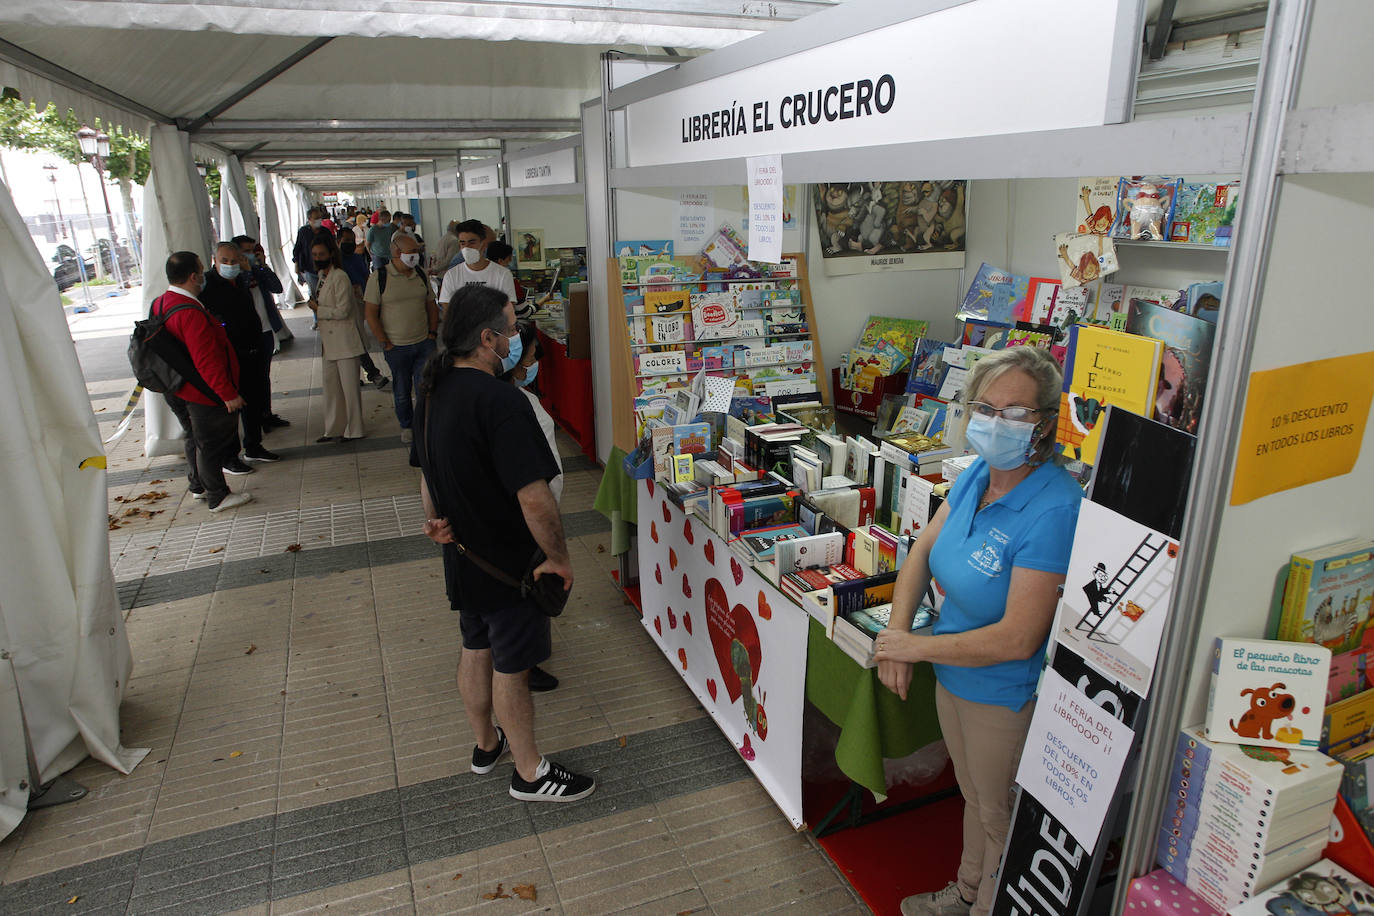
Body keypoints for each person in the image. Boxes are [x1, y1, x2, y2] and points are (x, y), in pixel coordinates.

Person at [873, 347, 1083, 916]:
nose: (996, 422)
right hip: (953, 675)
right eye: (986, 408)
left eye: (1016, 411)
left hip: (1003, 693)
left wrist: (915, 646)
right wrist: (898, 638)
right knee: (973, 797)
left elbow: (1018, 637)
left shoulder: (1054, 509)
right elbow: (922, 552)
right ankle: (965, 892)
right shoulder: (977, 478)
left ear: (1044, 422)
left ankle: (990, 904)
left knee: (998, 815)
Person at [414, 285, 592, 802]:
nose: (517, 338)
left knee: (475, 647)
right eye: (512, 329)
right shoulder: (502, 401)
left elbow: (426, 472)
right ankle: (530, 772)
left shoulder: (432, 388)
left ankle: (485, 745)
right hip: (510, 563)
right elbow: (535, 499)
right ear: (488, 338)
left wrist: (434, 521)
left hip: (465, 556)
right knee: (511, 667)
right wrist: (558, 558)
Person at [154, 251, 252, 513]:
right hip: (198, 391)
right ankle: (217, 495)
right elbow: (206, 359)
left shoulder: (161, 302)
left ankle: (198, 485)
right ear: (194, 276)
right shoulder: (190, 313)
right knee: (209, 442)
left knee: (194, 438)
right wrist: (227, 394)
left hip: (175, 387)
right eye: (201, 270)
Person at [500, 319, 560, 693]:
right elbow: (543, 483)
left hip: (497, 527)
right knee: (527, 595)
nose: (536, 361)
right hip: (526, 526)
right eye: (534, 354)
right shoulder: (522, 406)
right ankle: (523, 664)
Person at [201, 241, 277, 467]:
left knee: (253, 400)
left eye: (234, 261)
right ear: (215, 260)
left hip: (250, 350)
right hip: (227, 355)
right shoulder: (208, 285)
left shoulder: (241, 279)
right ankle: (229, 457)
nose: (230, 265)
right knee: (230, 408)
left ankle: (254, 446)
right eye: (225, 261)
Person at [363, 231, 438, 446]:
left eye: (417, 251)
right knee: (402, 389)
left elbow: (431, 306)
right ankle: (407, 425)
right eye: (411, 251)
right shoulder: (379, 277)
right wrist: (385, 342)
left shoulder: (420, 274)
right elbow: (370, 313)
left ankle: (424, 423)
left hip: (424, 343)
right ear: (396, 252)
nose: (416, 255)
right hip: (397, 347)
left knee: (425, 387)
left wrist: (432, 334)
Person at [307, 236, 366, 442]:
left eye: (321, 254)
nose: (318, 258)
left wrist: (318, 309)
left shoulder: (340, 276)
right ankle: (333, 428)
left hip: (345, 341)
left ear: (331, 254)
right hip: (329, 342)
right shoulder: (322, 275)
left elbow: (343, 310)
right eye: (315, 255)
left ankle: (355, 429)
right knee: (331, 388)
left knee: (350, 390)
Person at [232, 235, 291, 431]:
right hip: (246, 335)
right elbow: (240, 296)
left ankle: (266, 413)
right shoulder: (233, 277)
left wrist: (262, 265)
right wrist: (247, 272)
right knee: (251, 380)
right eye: (246, 251)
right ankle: (254, 418)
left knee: (263, 376)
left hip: (265, 330)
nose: (251, 255)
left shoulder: (258, 270)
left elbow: (277, 287)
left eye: (253, 251)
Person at [337, 227, 390, 390]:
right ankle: (372, 373)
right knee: (354, 339)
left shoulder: (357, 258)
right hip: (344, 305)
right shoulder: (336, 262)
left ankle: (353, 375)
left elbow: (366, 277)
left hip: (360, 300)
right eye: (346, 241)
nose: (350, 244)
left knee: (353, 340)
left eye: (352, 241)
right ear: (338, 242)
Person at [438, 219, 517, 312]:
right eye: (463, 243)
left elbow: (509, 309)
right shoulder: (451, 275)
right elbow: (447, 309)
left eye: (472, 242)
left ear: (483, 244)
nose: (467, 247)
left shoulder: (503, 274)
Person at [293, 206, 331, 298]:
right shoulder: (303, 232)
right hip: (310, 268)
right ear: (309, 219)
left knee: (327, 293)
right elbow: (297, 249)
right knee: (315, 294)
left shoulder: (325, 231)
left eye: (320, 218)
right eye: (316, 218)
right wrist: (297, 265)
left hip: (325, 268)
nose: (319, 220)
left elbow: (332, 248)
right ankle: (317, 311)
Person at [484, 240, 526, 305]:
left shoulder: (479, 274)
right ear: (500, 260)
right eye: (509, 259)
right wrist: (543, 300)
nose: (510, 261)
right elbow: (524, 311)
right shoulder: (507, 276)